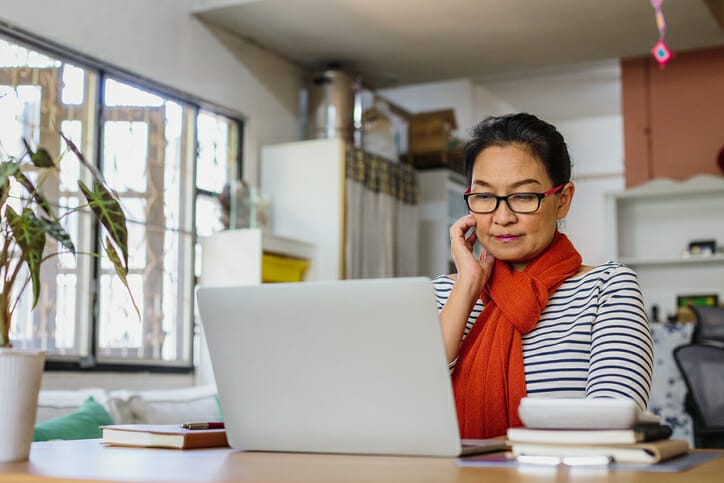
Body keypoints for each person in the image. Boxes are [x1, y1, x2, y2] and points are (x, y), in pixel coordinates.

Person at [435, 113, 653, 439]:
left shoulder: (606, 288)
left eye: (524, 196)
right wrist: (465, 287)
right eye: (484, 197)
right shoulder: (442, 295)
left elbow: (612, 423)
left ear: (562, 200)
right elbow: (406, 405)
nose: (502, 217)